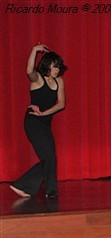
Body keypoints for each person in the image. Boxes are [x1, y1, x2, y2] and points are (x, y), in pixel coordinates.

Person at [10, 43, 66, 199]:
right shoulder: (37, 79)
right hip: (33, 123)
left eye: (59, 67)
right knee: (49, 158)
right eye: (55, 67)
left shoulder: (59, 81)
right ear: (47, 65)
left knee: (50, 158)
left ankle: (41, 189)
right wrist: (34, 50)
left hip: (44, 122)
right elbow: (29, 71)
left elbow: (61, 104)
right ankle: (29, 186)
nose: (58, 70)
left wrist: (44, 113)